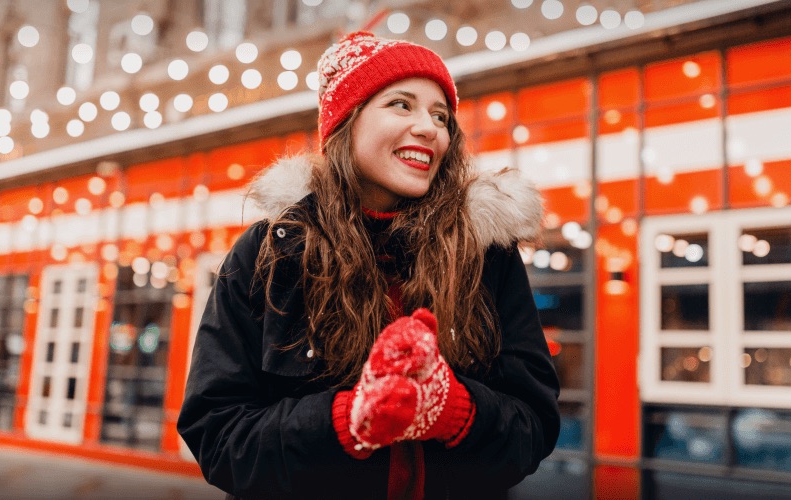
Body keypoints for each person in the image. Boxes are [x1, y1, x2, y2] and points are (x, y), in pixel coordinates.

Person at [178, 31, 560, 500]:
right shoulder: (270, 253)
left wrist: (456, 410)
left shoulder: (485, 254)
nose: (429, 128)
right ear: (346, 122)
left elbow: (535, 426)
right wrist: (345, 421)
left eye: (441, 115)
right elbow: (217, 437)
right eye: (402, 104)